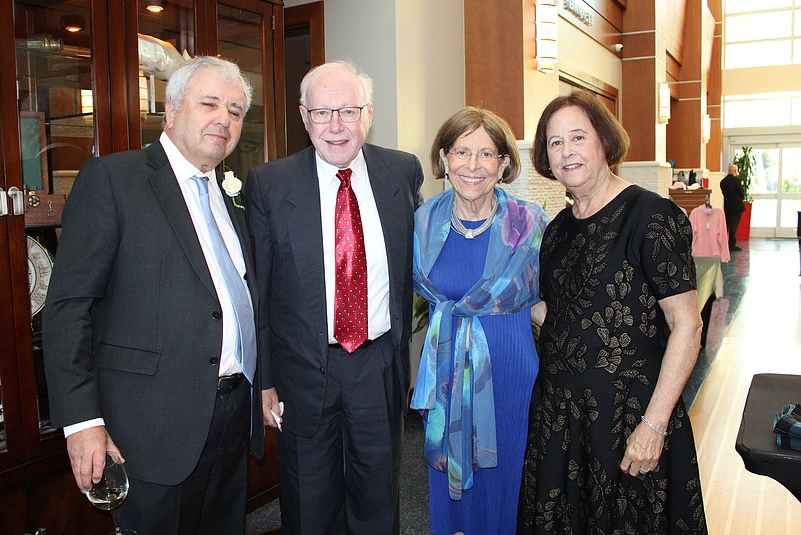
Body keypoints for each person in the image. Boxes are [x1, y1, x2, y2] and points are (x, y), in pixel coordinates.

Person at [42, 56, 263, 534]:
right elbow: (67, 309)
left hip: (230, 415)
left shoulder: (229, 196)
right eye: (209, 104)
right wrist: (82, 421)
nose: (224, 119)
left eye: (236, 110)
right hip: (149, 428)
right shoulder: (113, 180)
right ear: (170, 110)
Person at [244, 60, 423, 534]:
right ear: (304, 118)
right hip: (302, 368)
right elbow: (259, 294)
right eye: (323, 113)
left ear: (368, 114)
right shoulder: (269, 184)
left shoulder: (402, 171)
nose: (336, 126)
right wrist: (264, 380)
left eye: (348, 110)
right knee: (308, 500)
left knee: (379, 493)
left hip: (377, 361)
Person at [518, 91, 708, 533]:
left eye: (577, 137)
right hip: (561, 420)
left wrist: (655, 425)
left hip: (630, 420)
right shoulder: (558, 232)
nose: (566, 152)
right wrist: (505, 297)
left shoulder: (651, 216)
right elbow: (563, 316)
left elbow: (687, 324)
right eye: (554, 142)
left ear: (603, 140)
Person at [411, 107, 547, 534]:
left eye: (487, 154)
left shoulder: (530, 224)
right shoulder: (419, 222)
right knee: (448, 491)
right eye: (461, 152)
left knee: (505, 484)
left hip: (510, 376)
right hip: (446, 376)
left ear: (503, 164)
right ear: (444, 158)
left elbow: (547, 303)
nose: (473, 165)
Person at [720, 163, 746, 251]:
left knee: (727, 225)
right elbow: (742, 193)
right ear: (735, 171)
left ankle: (724, 243)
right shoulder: (736, 181)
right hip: (737, 207)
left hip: (727, 206)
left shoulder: (723, 182)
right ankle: (732, 244)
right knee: (734, 226)